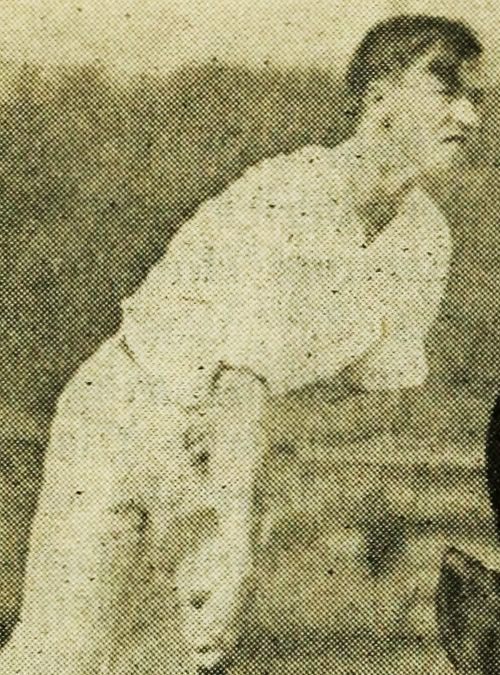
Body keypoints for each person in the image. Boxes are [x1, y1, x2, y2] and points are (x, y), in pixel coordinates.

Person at [0, 13, 485, 675]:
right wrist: (231, 543)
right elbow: (240, 383)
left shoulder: (425, 239)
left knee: (174, 664)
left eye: (476, 99)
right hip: (123, 418)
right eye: (446, 91)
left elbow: (379, 392)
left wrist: (278, 439)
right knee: (62, 656)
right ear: (379, 99)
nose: (467, 116)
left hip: (230, 444)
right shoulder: (291, 197)